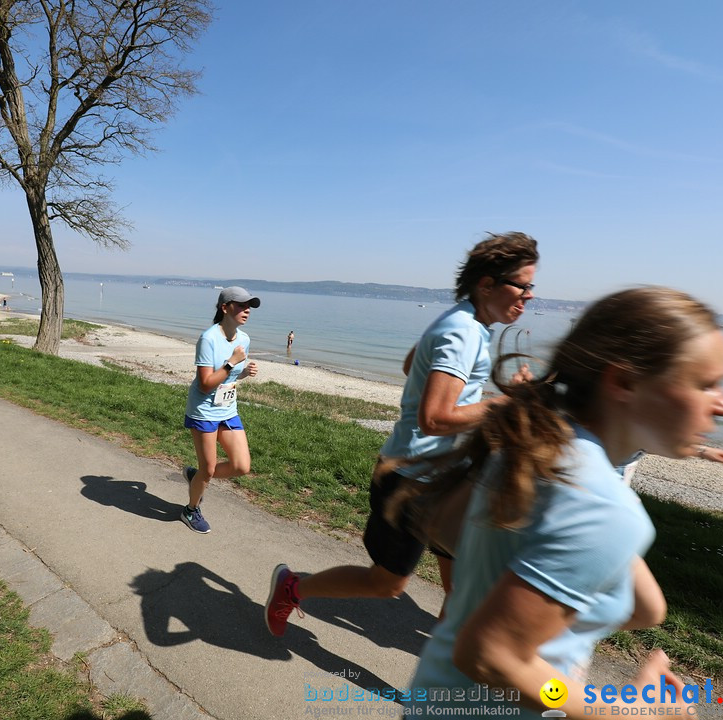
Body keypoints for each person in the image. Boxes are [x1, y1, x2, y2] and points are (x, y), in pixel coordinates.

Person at [405, 287, 723, 716]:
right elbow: (492, 658)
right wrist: (626, 710)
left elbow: (646, 608)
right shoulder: (600, 504)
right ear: (624, 382)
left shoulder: (541, 445)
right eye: (706, 384)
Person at [265, 232, 540, 636]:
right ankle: (292, 588)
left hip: (445, 477)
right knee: (387, 584)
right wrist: (506, 405)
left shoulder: (465, 321)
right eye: (523, 285)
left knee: (462, 585)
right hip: (412, 480)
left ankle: (439, 678)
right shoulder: (462, 332)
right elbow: (434, 418)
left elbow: (412, 364)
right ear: (487, 284)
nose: (530, 295)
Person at [180, 286, 261, 534]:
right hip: (203, 412)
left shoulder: (243, 339)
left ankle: (199, 477)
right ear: (224, 308)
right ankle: (191, 510)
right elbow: (205, 385)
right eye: (241, 305)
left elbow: (227, 378)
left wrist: (243, 373)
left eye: (249, 306)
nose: (246, 310)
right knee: (209, 469)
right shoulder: (208, 339)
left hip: (227, 410)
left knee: (241, 465)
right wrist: (232, 363)